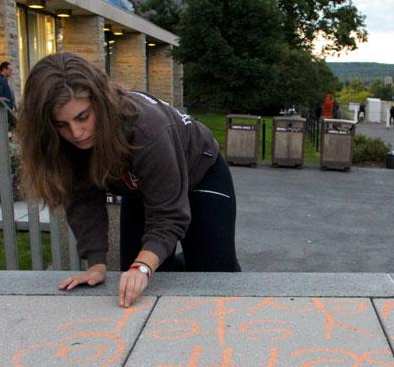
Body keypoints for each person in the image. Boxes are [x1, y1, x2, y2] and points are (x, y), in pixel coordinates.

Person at [16, 52, 240, 308]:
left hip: (200, 174)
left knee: (213, 276)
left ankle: (202, 262)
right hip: (141, 188)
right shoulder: (66, 142)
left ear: (99, 102)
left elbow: (168, 215)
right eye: (61, 124)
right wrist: (96, 264)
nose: (76, 133)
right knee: (134, 279)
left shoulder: (146, 128)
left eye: (82, 117)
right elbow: (83, 198)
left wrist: (144, 267)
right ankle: (179, 268)